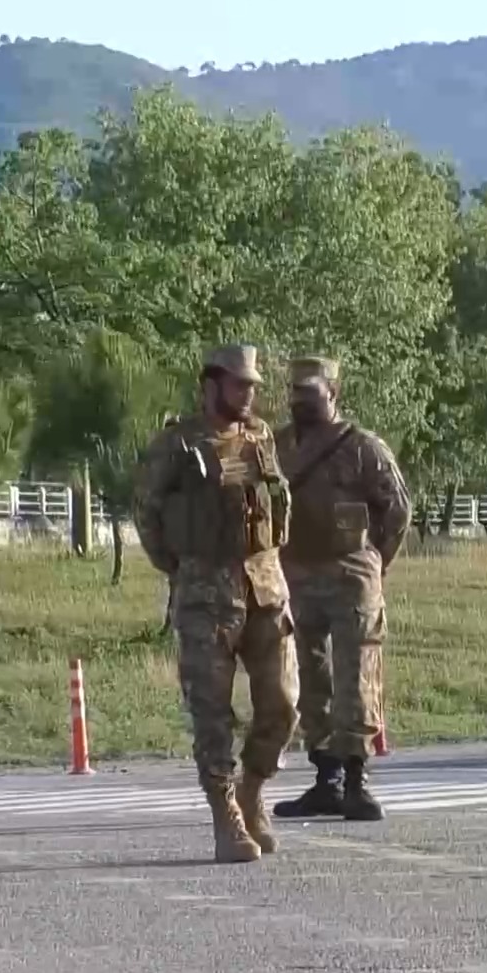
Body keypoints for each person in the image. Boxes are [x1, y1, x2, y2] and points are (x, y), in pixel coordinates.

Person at [133, 343, 297, 863]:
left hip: (266, 588)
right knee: (211, 712)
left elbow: (278, 506)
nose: (248, 394)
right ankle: (225, 813)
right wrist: (183, 569)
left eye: (252, 386)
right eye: (239, 385)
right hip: (207, 595)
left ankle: (253, 788)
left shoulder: (260, 437)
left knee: (284, 703)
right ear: (211, 386)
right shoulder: (178, 444)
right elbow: (147, 514)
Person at [271, 356, 413, 823]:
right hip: (297, 575)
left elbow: (397, 509)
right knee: (309, 679)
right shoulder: (277, 446)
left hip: (351, 576)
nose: (300, 402)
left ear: (332, 394)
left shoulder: (362, 447)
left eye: (310, 393)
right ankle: (325, 778)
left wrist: (374, 561)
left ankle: (356, 778)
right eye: (295, 393)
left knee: (357, 677)